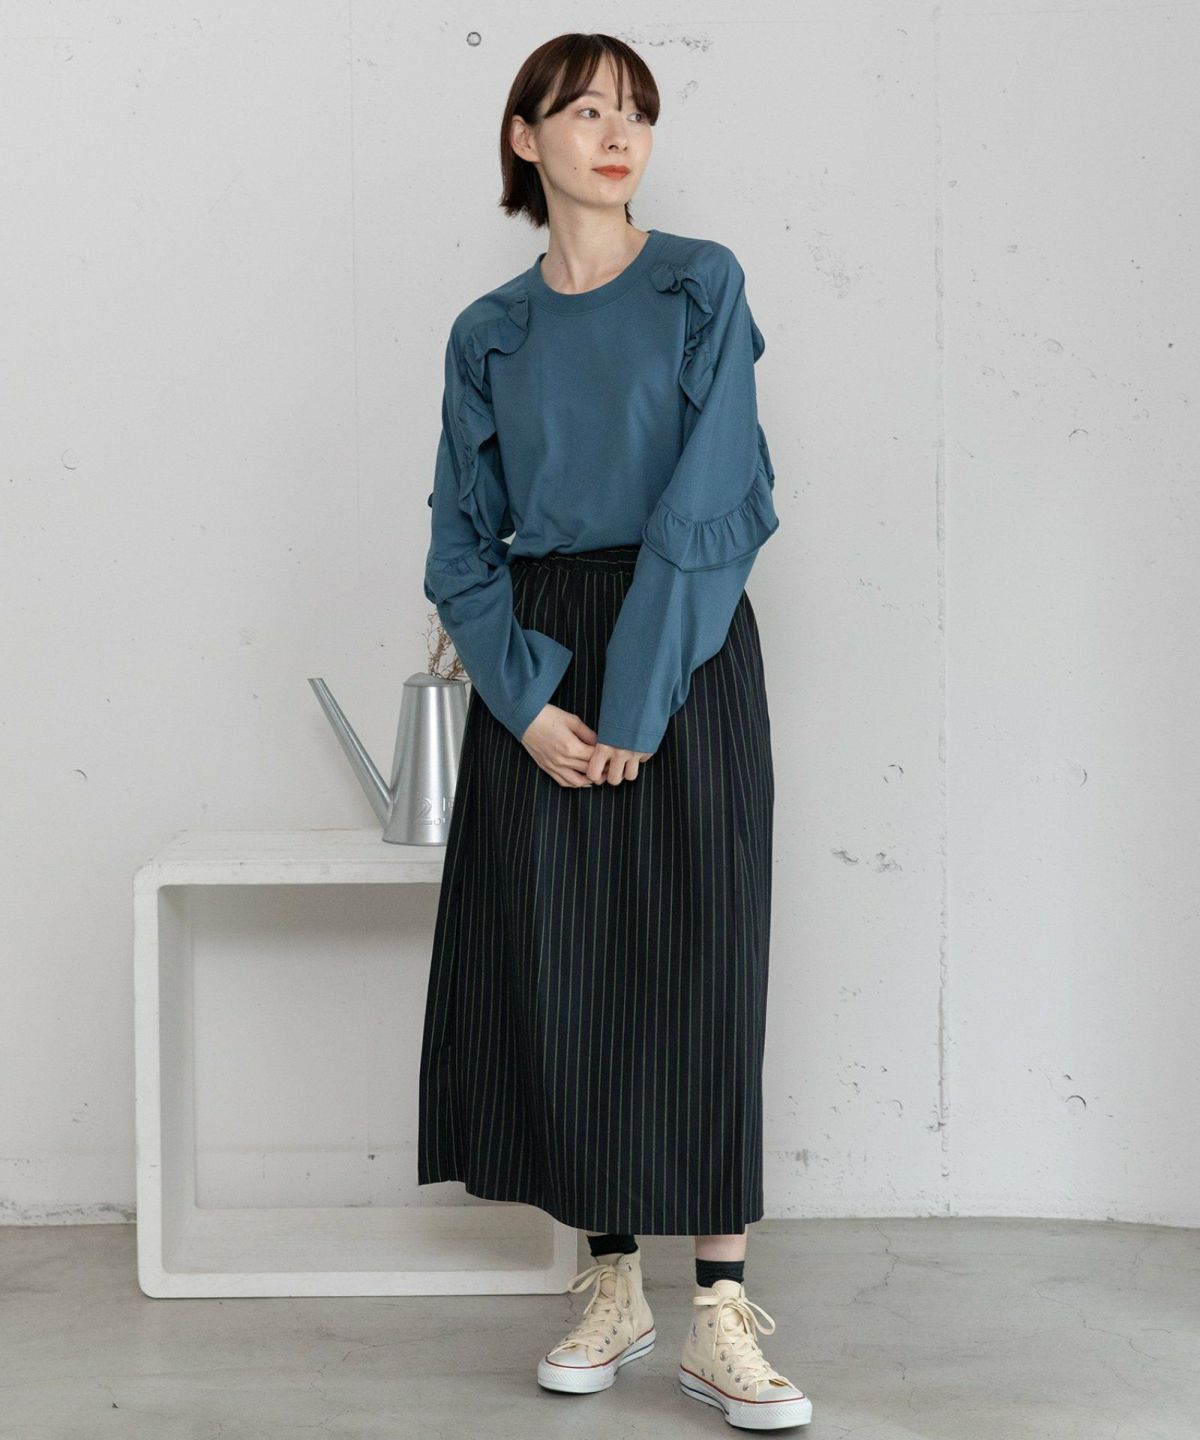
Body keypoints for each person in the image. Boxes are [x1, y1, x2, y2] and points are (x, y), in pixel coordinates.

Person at [416, 31, 812, 1431]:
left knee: (703, 962)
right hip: (542, 650)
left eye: (636, 109)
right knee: (569, 968)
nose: (618, 131)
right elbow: (459, 543)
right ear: (525, 138)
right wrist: (526, 706)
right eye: (585, 109)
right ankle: (611, 1285)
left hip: (682, 641)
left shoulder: (700, 283)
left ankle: (721, 1311)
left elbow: (717, 496)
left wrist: (638, 696)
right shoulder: (489, 331)